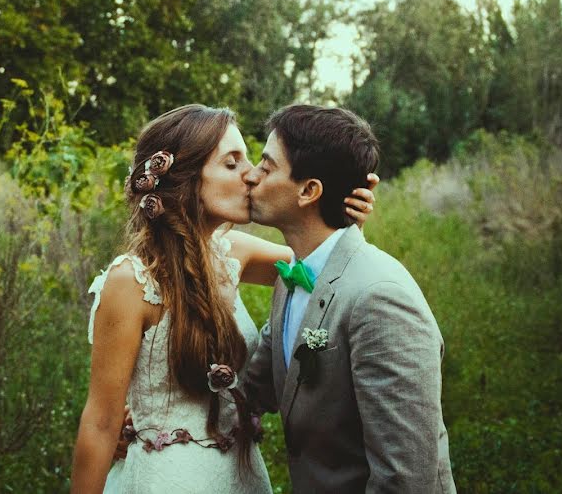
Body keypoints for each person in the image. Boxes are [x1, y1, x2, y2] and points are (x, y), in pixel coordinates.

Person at [70, 104, 377, 493]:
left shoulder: (233, 251)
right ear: (185, 178)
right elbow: (99, 423)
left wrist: (344, 220)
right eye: (232, 164)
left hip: (240, 477)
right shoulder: (130, 282)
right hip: (166, 480)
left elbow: (324, 268)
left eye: (249, 160)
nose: (251, 174)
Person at [242, 104, 456, 493]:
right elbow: (256, 386)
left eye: (266, 166)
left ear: (309, 191)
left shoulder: (380, 299)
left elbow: (406, 480)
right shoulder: (295, 273)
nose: (250, 176)